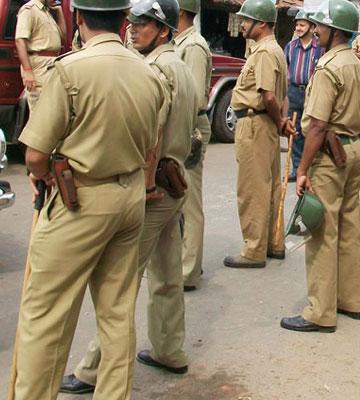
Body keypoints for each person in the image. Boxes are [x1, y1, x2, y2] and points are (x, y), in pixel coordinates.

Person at [12, 0, 165, 397]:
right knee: (116, 313)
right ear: (125, 20)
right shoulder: (148, 73)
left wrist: (41, 175)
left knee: (45, 314)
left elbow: (34, 154)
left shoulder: (70, 70)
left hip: (79, 199)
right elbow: (151, 145)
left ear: (78, 18)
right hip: (128, 196)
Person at [60, 0, 199, 394]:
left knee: (119, 286)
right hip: (175, 183)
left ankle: (91, 370)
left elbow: (149, 138)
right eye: (134, 23)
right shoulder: (181, 66)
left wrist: (143, 185)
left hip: (154, 188)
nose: (134, 29)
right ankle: (170, 350)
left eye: (145, 24)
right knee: (168, 273)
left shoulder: (156, 70)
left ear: (164, 29)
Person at [280, 0, 360, 333]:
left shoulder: (329, 66)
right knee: (348, 228)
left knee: (322, 232)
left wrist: (302, 170)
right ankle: (351, 300)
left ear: (335, 31)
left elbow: (316, 125)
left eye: (320, 27)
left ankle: (320, 312)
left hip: (330, 158)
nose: (316, 31)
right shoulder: (356, 63)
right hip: (353, 151)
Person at [223, 0, 293, 268]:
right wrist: (281, 121)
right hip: (264, 124)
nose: (242, 24)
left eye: (246, 20)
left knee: (252, 188)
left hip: (255, 123)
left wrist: (278, 121)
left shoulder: (264, 52)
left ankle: (254, 249)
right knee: (270, 184)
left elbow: (269, 96)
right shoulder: (273, 50)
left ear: (261, 23)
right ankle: (274, 243)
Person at [174, 0, 213, 292]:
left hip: (189, 127)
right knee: (175, 198)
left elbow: (195, 97)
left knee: (190, 202)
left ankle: (188, 271)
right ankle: (181, 263)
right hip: (176, 126)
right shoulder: (178, 43)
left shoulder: (194, 47)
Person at [285, 10, 324, 179]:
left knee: (313, 130)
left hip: (313, 93)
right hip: (293, 92)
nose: (298, 28)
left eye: (302, 25)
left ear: (312, 27)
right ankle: (296, 167)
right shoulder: (290, 47)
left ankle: (311, 167)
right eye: (297, 25)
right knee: (294, 131)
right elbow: (285, 70)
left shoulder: (320, 49)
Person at [15, 0, 66, 110]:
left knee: (50, 110)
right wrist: (28, 70)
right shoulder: (29, 10)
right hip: (39, 66)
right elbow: (20, 40)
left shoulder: (45, 11)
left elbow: (63, 37)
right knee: (39, 111)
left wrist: (59, 12)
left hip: (51, 64)